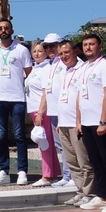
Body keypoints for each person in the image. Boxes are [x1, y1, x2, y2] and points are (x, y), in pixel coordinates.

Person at [43, 39, 94, 205]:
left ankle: (90, 193)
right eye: (61, 53)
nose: (64, 56)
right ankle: (80, 191)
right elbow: (61, 96)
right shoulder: (64, 70)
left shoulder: (82, 69)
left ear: (75, 52)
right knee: (71, 161)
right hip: (63, 121)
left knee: (83, 160)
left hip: (75, 122)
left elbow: (81, 97)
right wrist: (59, 120)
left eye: (67, 52)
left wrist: (79, 121)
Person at [76, 33, 106, 212]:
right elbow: (80, 95)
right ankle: (101, 195)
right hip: (86, 122)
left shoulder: (105, 66)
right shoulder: (84, 67)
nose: (88, 47)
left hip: (101, 122)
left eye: (92, 44)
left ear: (99, 46)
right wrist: (79, 121)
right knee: (96, 161)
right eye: (85, 44)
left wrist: (103, 121)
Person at [0, 18, 32, 185]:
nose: (3, 30)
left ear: (12, 31)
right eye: (0, 28)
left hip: (17, 98)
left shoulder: (21, 50)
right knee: (2, 136)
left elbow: (29, 73)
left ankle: (22, 171)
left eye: (6, 28)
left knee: (19, 136)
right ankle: (4, 170)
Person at [25, 41, 61, 186]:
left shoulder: (46, 68)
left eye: (40, 51)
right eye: (35, 51)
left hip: (42, 110)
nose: (37, 54)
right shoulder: (36, 68)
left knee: (43, 142)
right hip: (34, 109)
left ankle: (47, 174)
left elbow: (46, 91)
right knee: (45, 142)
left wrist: (40, 112)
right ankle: (52, 172)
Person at [40, 33, 72, 186]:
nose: (49, 49)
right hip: (53, 111)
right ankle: (67, 175)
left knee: (69, 146)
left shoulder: (66, 63)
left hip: (64, 111)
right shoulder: (51, 64)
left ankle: (72, 176)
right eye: (46, 46)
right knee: (61, 146)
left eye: (52, 45)